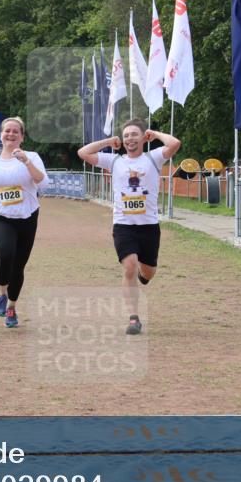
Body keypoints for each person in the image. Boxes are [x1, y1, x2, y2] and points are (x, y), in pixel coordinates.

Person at [78, 118, 181, 335]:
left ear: (144, 137)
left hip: (149, 226)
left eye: (134, 134)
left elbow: (174, 144)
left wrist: (156, 134)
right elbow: (83, 152)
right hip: (124, 225)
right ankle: (134, 317)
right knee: (130, 267)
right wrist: (108, 141)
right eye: (126, 136)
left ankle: (144, 277)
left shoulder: (152, 158)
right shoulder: (115, 161)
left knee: (148, 272)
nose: (129, 139)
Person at [0, 117, 49, 328]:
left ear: (22, 137)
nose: (11, 134)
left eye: (16, 131)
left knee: (19, 266)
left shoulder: (32, 156)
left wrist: (26, 161)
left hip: (27, 217)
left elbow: (43, 184)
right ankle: (1, 294)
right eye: (7, 131)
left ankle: (11, 307)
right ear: (1, 135)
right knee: (6, 253)